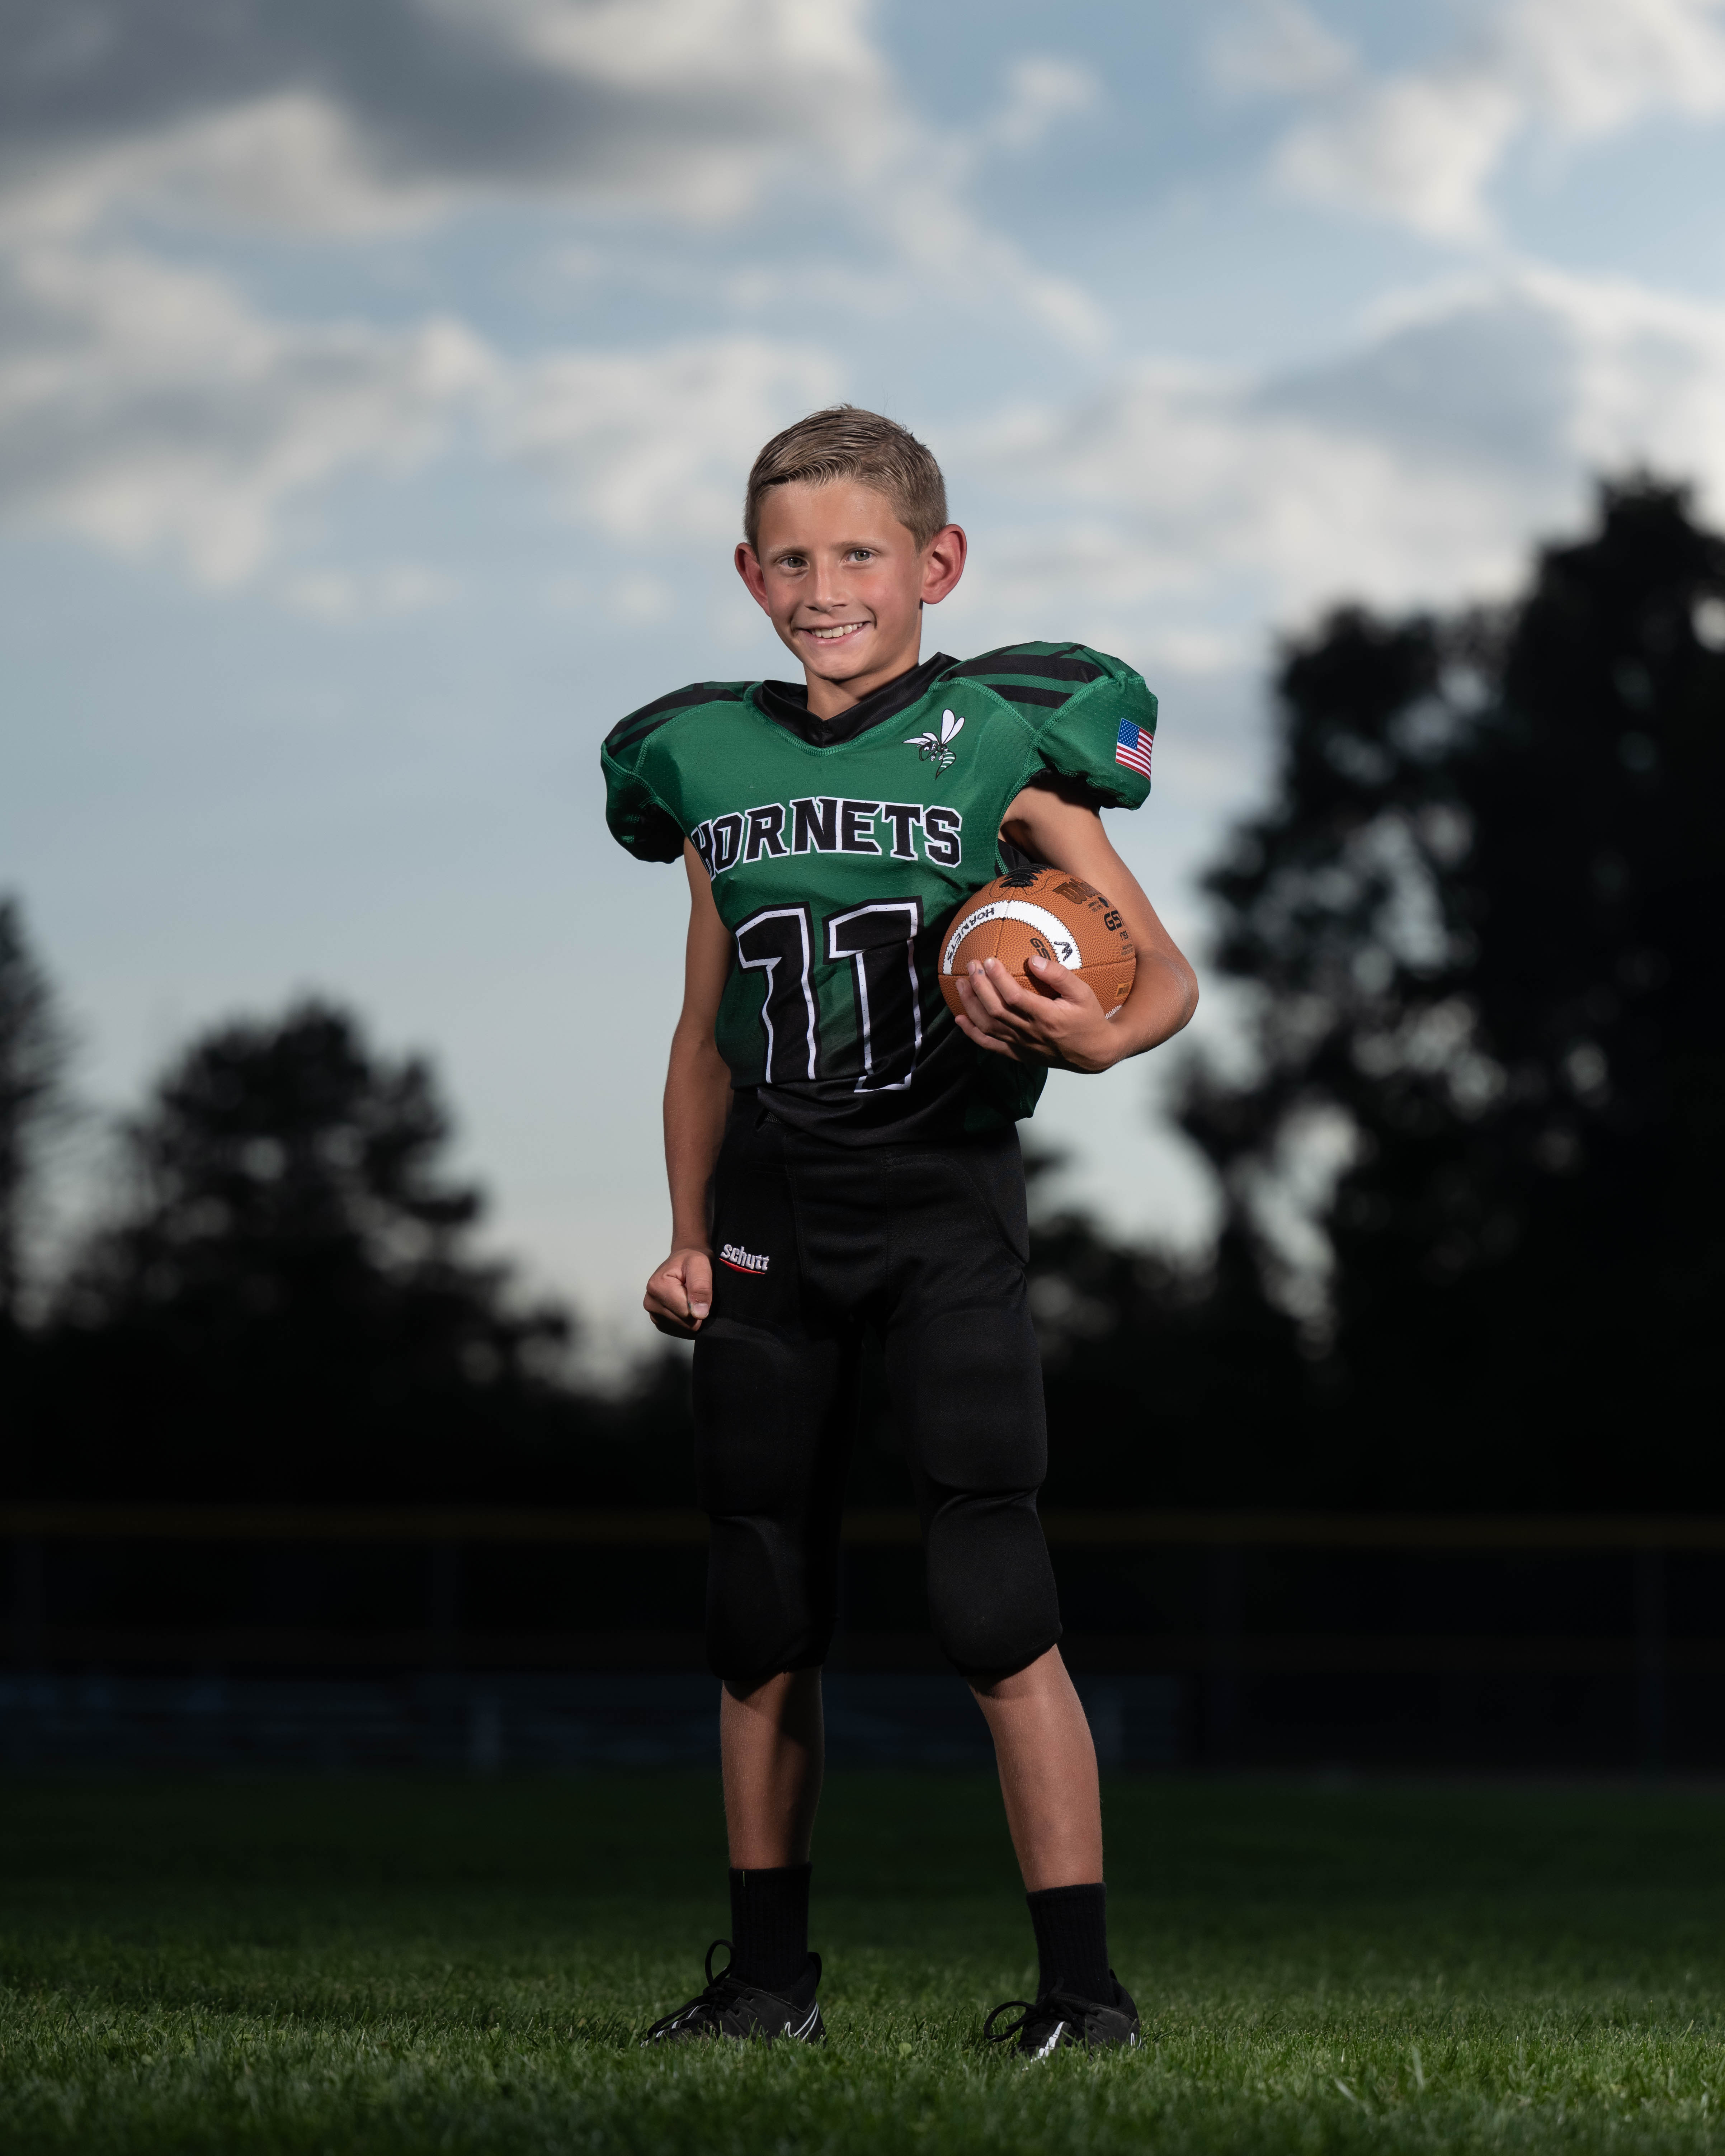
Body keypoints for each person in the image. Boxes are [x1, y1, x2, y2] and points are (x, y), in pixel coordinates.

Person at [601, 407, 1197, 2057]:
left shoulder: (997, 740)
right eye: (791, 560)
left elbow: (1163, 969)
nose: (825, 589)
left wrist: (1105, 1037)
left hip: (944, 1206)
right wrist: (684, 1232)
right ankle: (764, 1984)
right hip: (775, 1212)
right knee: (759, 1609)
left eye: (859, 554)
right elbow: (701, 1033)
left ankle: (1084, 1995)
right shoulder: (706, 760)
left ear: (938, 564)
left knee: (997, 1603)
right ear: (748, 575)